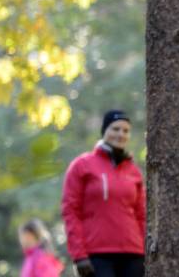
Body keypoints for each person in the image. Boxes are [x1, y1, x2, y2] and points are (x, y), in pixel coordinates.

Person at [61, 110, 145, 277]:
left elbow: (141, 215)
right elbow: (70, 212)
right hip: (96, 255)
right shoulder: (82, 165)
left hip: (133, 255)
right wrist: (79, 255)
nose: (120, 134)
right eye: (115, 129)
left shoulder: (133, 171)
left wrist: (146, 250)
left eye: (125, 130)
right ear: (104, 131)